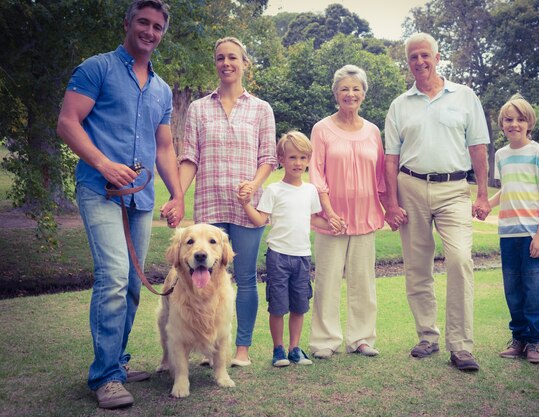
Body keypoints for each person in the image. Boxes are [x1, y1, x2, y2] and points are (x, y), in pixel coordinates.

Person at [56, 0, 184, 409]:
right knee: (113, 276)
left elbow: (164, 147)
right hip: (100, 190)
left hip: (142, 198)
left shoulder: (162, 90)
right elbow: (67, 122)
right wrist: (105, 164)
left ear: (163, 33)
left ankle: (117, 360)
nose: (150, 31)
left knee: (132, 284)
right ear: (127, 23)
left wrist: (177, 194)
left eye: (157, 26)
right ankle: (106, 377)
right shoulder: (97, 68)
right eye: (143, 23)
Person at [384, 32, 490, 371]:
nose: (419, 61)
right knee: (417, 265)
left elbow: (478, 148)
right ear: (408, 61)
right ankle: (427, 336)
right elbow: (390, 157)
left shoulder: (464, 96)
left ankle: (460, 346)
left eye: (425, 55)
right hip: (410, 186)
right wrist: (390, 202)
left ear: (437, 56)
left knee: (459, 259)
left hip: (454, 189)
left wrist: (484, 193)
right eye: (413, 56)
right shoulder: (400, 105)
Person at [178, 36, 277, 367]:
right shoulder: (198, 108)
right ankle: (209, 347)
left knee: (245, 278)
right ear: (215, 63)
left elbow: (268, 158)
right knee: (202, 278)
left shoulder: (261, 108)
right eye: (220, 58)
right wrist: (178, 197)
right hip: (209, 208)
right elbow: (189, 157)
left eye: (233, 57)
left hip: (247, 209)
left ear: (244, 63)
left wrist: (254, 184)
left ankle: (241, 350)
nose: (226, 63)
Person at [237, 131, 344, 367]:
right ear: (281, 159)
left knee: (299, 305)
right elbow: (260, 220)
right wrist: (245, 204)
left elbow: (314, 220)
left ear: (308, 160)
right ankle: (279, 350)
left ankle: (295, 348)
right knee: (278, 306)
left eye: (303, 158)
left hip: (302, 257)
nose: (298, 163)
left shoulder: (310, 191)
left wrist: (333, 224)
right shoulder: (273, 190)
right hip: (278, 257)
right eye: (293, 157)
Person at [308, 64, 387, 360]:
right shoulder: (321, 129)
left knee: (363, 282)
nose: (350, 94)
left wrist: (387, 208)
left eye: (356, 88)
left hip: (365, 217)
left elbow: (379, 176)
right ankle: (324, 341)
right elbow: (316, 174)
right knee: (327, 281)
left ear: (364, 94)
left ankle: (362, 339)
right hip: (333, 220)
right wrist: (328, 212)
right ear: (335, 94)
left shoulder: (372, 131)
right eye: (344, 89)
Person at [489, 94, 539, 364]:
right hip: (508, 234)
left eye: (520, 119)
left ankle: (535, 341)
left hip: (533, 235)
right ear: (502, 124)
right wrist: (486, 205)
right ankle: (518, 338)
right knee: (513, 288)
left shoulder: (538, 152)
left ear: (529, 123)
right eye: (508, 119)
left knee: (535, 288)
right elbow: (507, 189)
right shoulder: (501, 155)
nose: (514, 124)